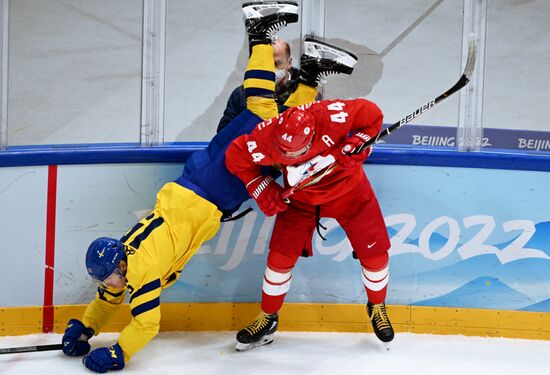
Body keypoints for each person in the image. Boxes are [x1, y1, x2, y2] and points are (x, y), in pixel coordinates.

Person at [60, 1, 357, 372]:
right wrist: (85, 327)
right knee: (283, 149)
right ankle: (311, 72)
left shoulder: (142, 270)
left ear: (120, 264)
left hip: (208, 185)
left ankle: (259, 32)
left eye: (110, 277)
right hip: (213, 193)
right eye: (108, 280)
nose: (112, 283)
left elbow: (146, 323)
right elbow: (108, 299)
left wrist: (120, 353)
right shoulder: (122, 264)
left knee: (266, 119)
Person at [225, 77, 394, 351]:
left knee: (375, 254)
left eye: (298, 153)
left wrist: (358, 142)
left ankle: (377, 306)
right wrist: (261, 187)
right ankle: (268, 318)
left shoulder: (333, 115)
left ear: (313, 135)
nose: (291, 157)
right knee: (279, 257)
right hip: (301, 201)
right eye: (284, 153)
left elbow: (373, 115)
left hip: (351, 194)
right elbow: (235, 156)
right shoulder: (265, 137)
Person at [216, 37, 298, 133]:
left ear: (289, 62)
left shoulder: (300, 94)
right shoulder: (241, 94)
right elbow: (223, 136)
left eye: (277, 63)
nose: (270, 69)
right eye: (266, 63)